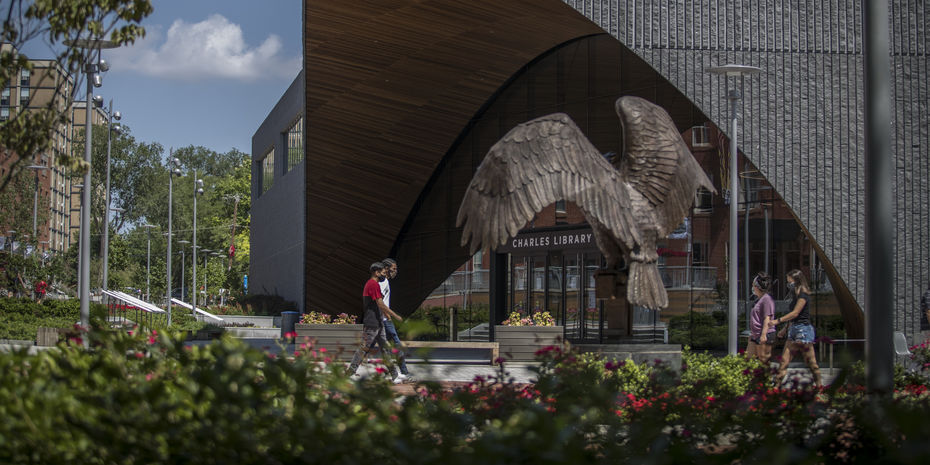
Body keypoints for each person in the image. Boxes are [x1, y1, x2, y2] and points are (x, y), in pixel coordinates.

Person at [347, 262, 406, 383]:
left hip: (378, 322)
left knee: (385, 348)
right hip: (372, 322)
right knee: (364, 347)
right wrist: (395, 316)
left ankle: (394, 375)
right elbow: (380, 304)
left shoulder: (375, 284)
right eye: (383, 272)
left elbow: (379, 305)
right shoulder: (372, 284)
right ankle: (350, 373)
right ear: (376, 272)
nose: (384, 274)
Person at [765, 269, 822, 386]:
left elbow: (796, 313)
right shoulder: (796, 295)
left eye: (789, 281)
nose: (788, 284)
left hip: (803, 330)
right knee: (784, 362)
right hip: (794, 329)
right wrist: (785, 329)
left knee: (811, 363)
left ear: (796, 281)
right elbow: (794, 317)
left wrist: (777, 321)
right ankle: (775, 388)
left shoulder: (803, 294)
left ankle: (820, 387)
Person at [377, 258, 410, 378]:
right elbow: (380, 303)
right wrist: (390, 316)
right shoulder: (381, 283)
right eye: (393, 269)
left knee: (385, 347)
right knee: (396, 344)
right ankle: (404, 372)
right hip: (384, 320)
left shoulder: (385, 281)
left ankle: (397, 373)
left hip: (383, 320)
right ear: (386, 268)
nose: (395, 271)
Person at [747, 272, 776, 364]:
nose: (752, 287)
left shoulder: (767, 299)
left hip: (764, 334)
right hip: (755, 334)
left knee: (763, 360)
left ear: (757, 286)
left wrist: (763, 335)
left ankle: (765, 378)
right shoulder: (758, 300)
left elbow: (767, 318)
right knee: (748, 359)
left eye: (753, 285)